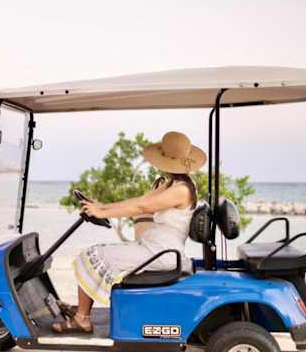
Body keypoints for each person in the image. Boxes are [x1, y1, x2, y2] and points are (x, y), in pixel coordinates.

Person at [53, 131, 206, 333]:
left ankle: (82, 318)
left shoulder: (182, 190)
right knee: (95, 253)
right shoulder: (172, 183)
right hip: (152, 247)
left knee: (91, 254)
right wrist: (102, 206)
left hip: (159, 253)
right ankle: (82, 309)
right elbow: (140, 201)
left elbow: (143, 208)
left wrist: (101, 212)